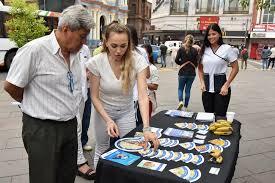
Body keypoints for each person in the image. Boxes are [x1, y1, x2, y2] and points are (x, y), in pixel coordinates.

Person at [4, 5, 94, 183]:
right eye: (82, 36)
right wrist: (33, 103)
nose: (84, 42)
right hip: (42, 129)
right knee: (43, 178)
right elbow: (11, 86)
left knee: (66, 176)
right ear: (66, 29)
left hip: (70, 125)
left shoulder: (77, 53)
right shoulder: (34, 50)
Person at [85, 22, 160, 169]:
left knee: (130, 148)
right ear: (105, 42)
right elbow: (94, 96)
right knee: (102, 148)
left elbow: (143, 96)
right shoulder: (96, 62)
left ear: (129, 44)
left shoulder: (137, 60)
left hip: (126, 111)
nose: (118, 51)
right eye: (114, 46)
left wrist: (146, 128)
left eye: (123, 46)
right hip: (103, 112)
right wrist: (107, 120)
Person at [198, 23, 239, 117]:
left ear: (219, 34)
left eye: (214, 34)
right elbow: (200, 69)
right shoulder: (204, 49)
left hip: (221, 87)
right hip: (207, 89)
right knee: (208, 116)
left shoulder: (227, 49)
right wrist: (202, 83)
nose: (211, 37)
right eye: (209, 35)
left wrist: (226, 85)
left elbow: (235, 68)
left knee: (220, 117)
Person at [76, 45, 95, 180]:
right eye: (81, 35)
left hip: (83, 93)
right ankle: (79, 161)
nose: (83, 41)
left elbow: (88, 67)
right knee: (76, 126)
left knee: (82, 124)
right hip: (68, 97)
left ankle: (79, 154)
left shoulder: (85, 49)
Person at [127, 25, 150, 127]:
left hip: (136, 96)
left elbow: (148, 74)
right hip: (125, 98)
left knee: (137, 126)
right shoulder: (117, 53)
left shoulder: (141, 53)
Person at [175, 35, 199, 111]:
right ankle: (185, 106)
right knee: (188, 90)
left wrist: (181, 63)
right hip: (192, 73)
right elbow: (197, 62)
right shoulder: (195, 50)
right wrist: (193, 65)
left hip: (182, 72)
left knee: (180, 89)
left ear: (185, 40)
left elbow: (176, 60)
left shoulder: (181, 49)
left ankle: (181, 102)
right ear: (193, 42)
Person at [143, 43, 159, 118]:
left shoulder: (153, 69)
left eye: (144, 53)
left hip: (148, 99)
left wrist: (142, 83)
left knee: (146, 121)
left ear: (149, 54)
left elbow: (155, 86)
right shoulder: (135, 67)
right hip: (136, 101)